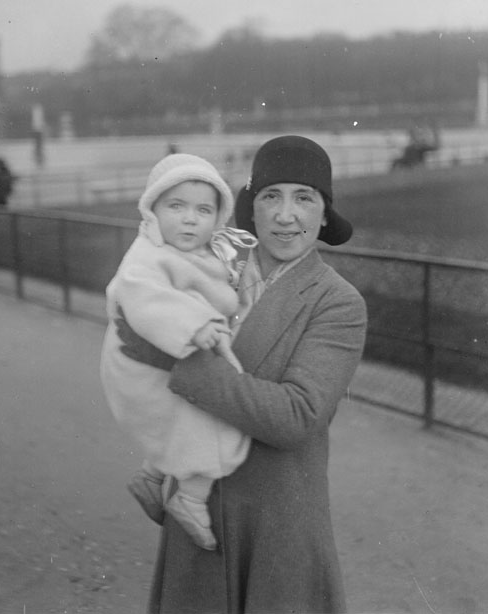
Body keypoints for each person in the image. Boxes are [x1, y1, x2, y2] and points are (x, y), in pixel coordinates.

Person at [114, 135, 367, 614]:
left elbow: (296, 416)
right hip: (199, 525)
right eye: (271, 196)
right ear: (251, 208)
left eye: (304, 198)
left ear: (323, 214)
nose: (286, 215)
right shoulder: (208, 271)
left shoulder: (336, 302)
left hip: (278, 533)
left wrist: (177, 360)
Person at [100, 153, 257, 551]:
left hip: (164, 355)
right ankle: (190, 499)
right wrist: (195, 325)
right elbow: (144, 297)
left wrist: (230, 297)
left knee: (185, 419)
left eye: (203, 210)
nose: (190, 219)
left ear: (218, 218)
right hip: (139, 362)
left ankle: (152, 476)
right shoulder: (146, 254)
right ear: (152, 209)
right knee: (213, 424)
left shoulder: (197, 253)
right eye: (176, 206)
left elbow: (211, 291)